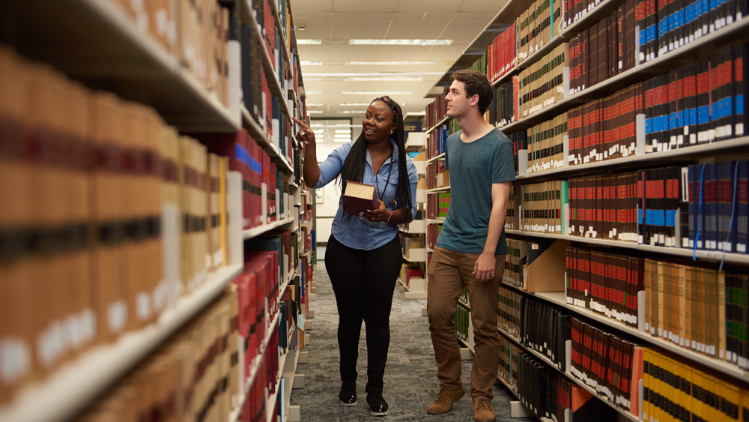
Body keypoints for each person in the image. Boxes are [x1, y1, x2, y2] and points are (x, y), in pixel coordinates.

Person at [292, 96, 418, 417]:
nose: (369, 122)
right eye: (367, 116)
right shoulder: (348, 152)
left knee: (378, 321)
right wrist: (310, 146)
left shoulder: (406, 164)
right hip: (344, 248)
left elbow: (409, 212)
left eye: (378, 118)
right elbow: (314, 179)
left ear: (393, 126)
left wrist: (387, 214)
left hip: (382, 250)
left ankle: (375, 390)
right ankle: (348, 382)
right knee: (349, 319)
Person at [425, 69, 515, 422]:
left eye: (454, 92)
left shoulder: (499, 144)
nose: (447, 98)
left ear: (473, 99)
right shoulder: (449, 142)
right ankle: (451, 386)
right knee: (437, 314)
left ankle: (482, 395)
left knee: (484, 326)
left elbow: (500, 202)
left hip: (483, 247)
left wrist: (489, 251)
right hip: (449, 242)